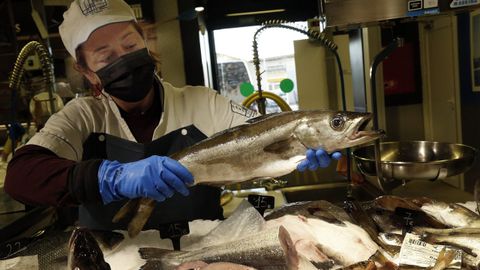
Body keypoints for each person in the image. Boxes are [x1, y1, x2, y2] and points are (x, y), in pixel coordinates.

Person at [4, 0, 340, 230]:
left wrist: (301, 143)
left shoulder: (200, 102)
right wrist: (112, 179)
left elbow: (260, 132)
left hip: (206, 251)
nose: (123, 59)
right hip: (110, 258)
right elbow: (21, 176)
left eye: (130, 45)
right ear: (87, 71)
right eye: (105, 57)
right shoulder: (82, 117)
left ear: (146, 42)